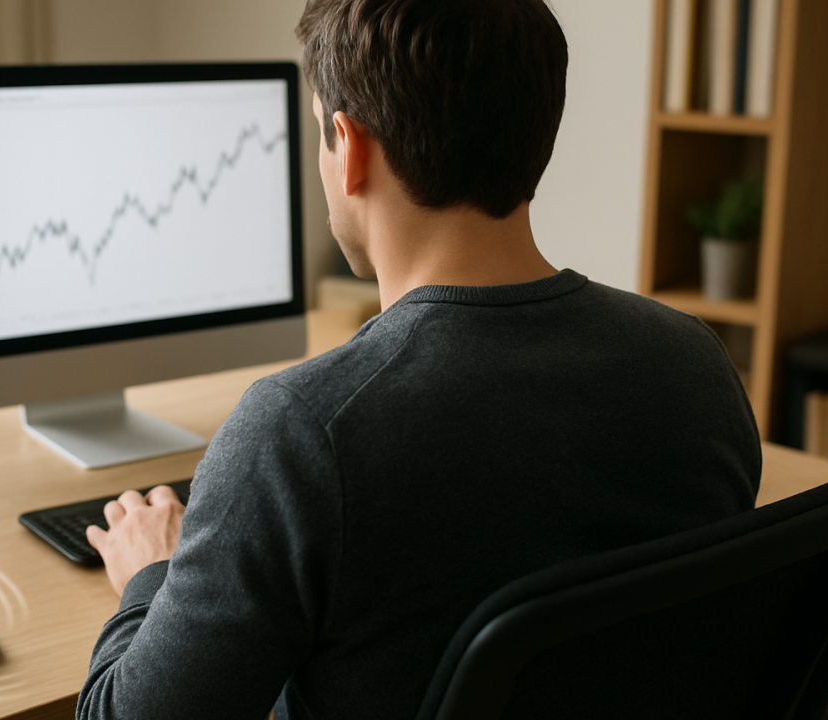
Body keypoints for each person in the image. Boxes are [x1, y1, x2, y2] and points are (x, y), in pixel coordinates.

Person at [76, 0, 761, 718]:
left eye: (320, 133)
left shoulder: (303, 432)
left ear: (351, 148)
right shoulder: (695, 367)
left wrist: (151, 577)